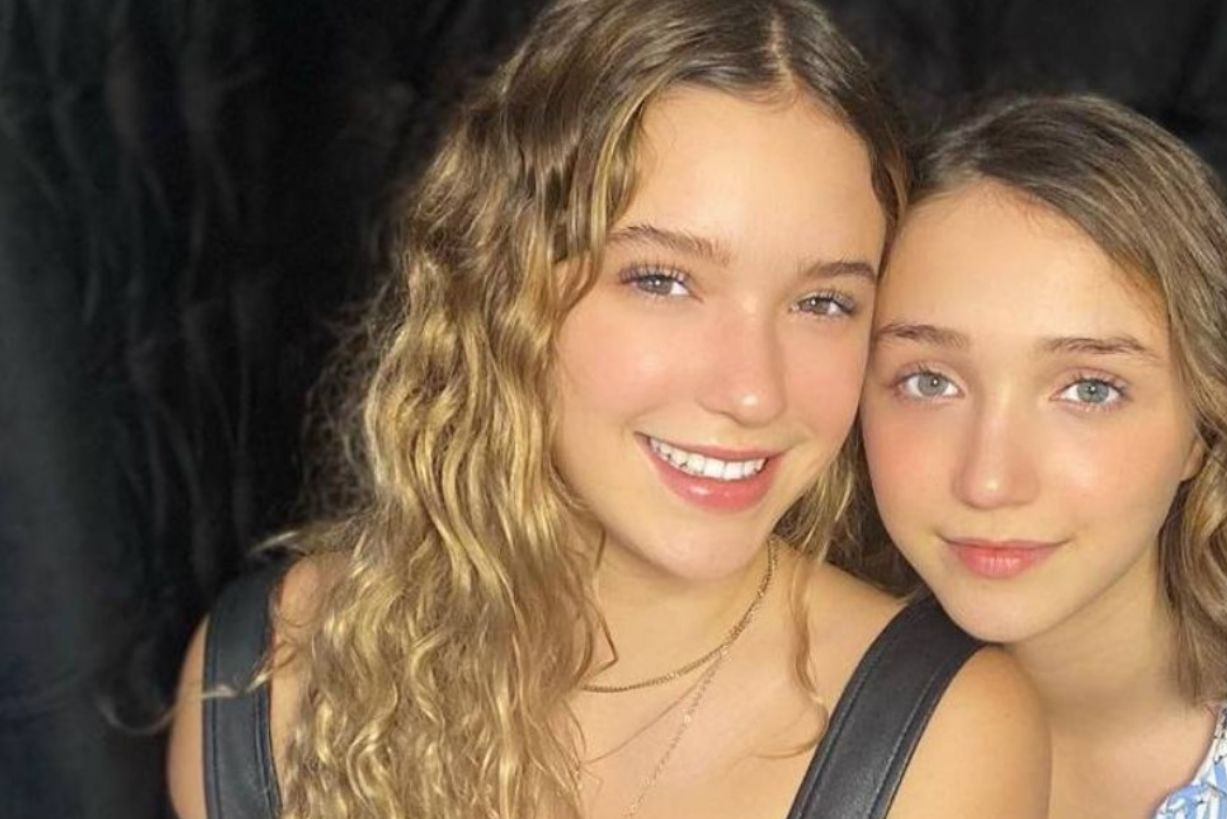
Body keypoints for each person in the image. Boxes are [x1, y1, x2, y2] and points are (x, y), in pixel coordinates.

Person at [166, 2, 1050, 818]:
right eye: (662, 281)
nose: (753, 390)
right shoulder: (265, 681)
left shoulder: (941, 734)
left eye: (823, 302)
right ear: (503, 286)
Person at [860, 93, 1227, 819]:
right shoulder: (791, 705)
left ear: (1205, 424)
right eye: (930, 381)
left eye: (1090, 389)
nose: (988, 480)